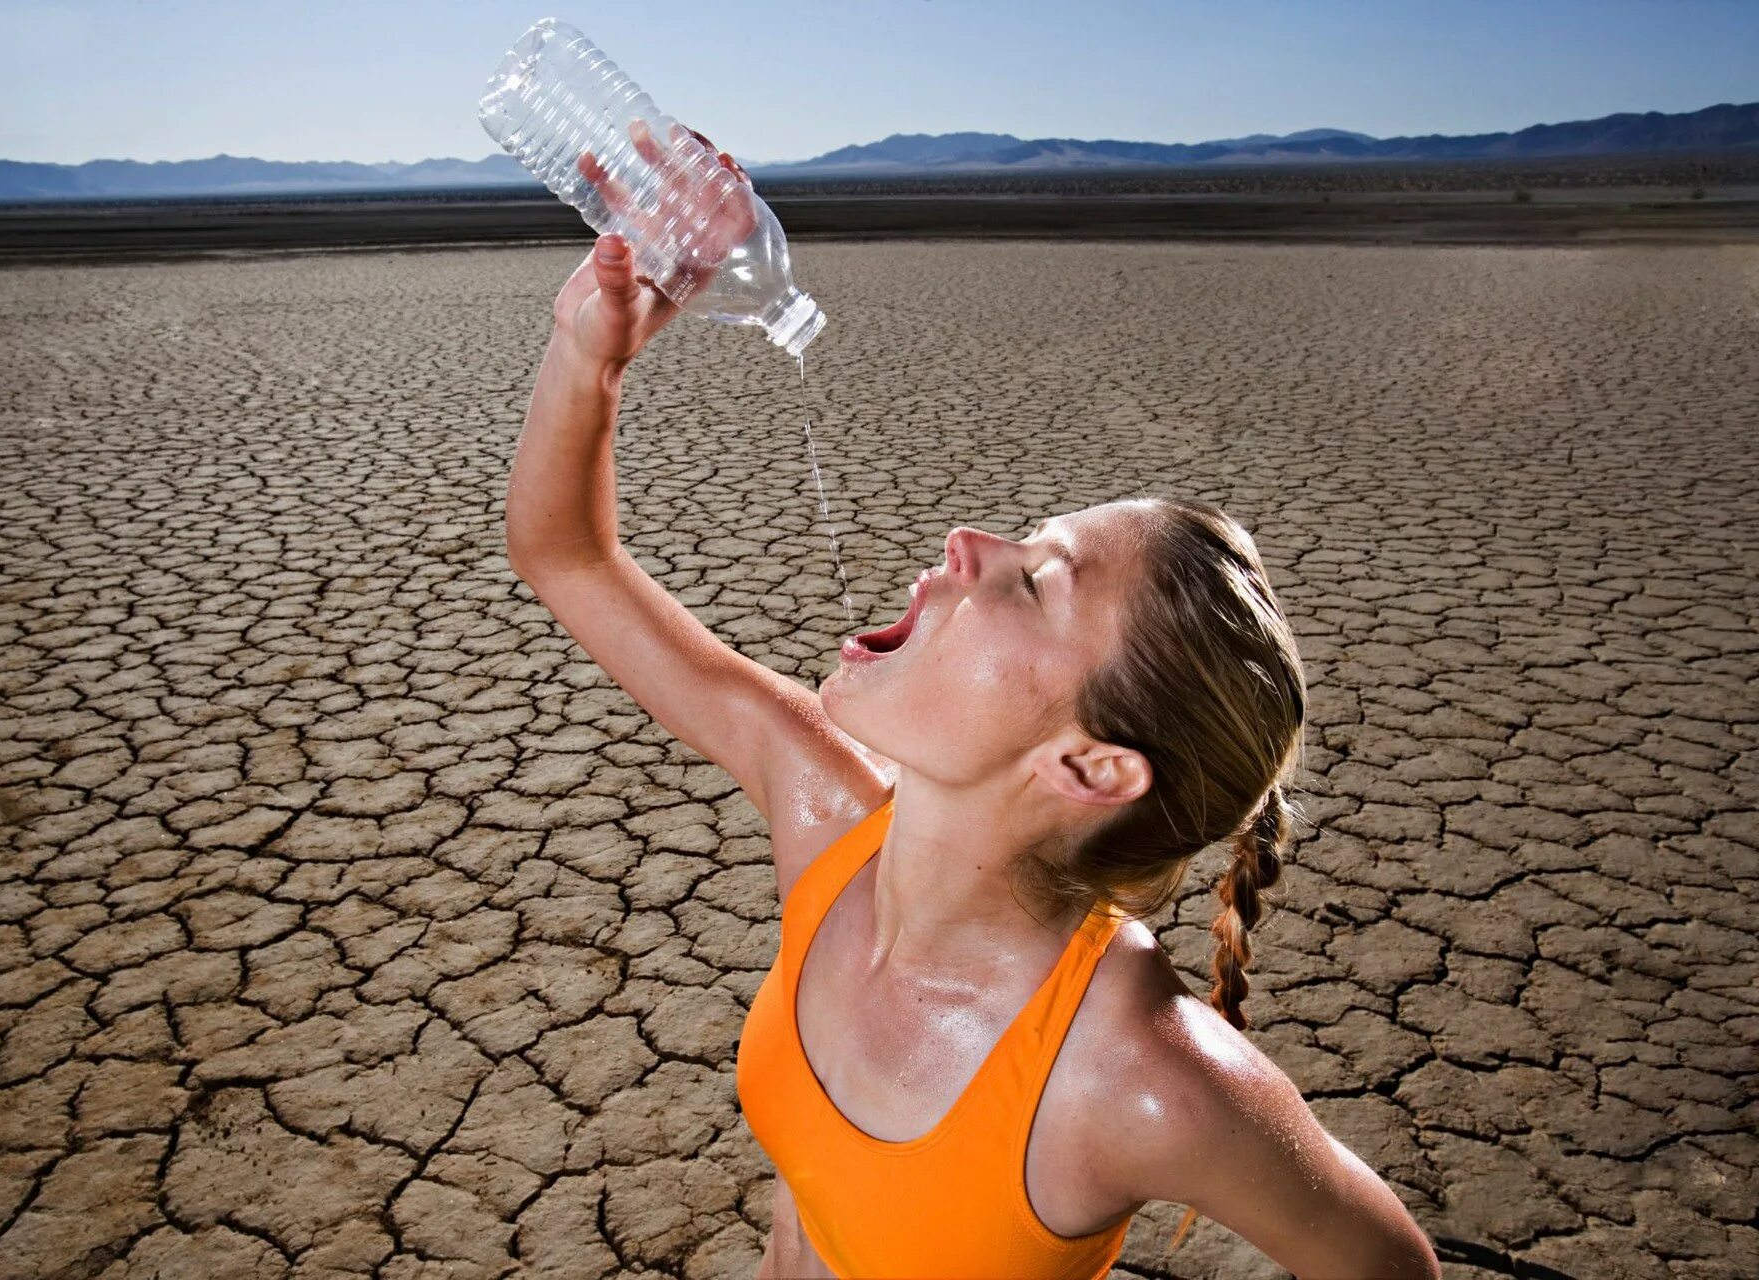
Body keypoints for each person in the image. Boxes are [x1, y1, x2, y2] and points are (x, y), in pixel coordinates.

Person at [503, 124, 1442, 1280]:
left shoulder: (1136, 1077)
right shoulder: (828, 818)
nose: (968, 541)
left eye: (1039, 578)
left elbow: (1390, 1266)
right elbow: (566, 558)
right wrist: (586, 349)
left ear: (1090, 766)